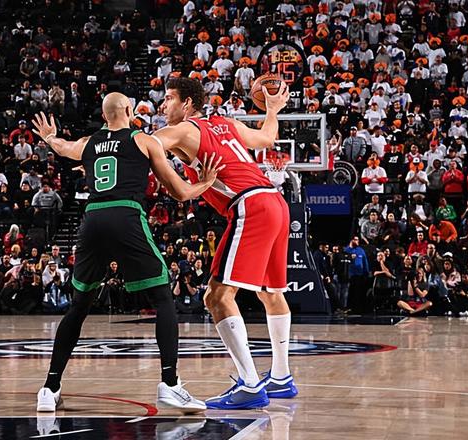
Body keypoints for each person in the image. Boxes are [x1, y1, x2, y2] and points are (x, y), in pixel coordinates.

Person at [31, 92, 223, 413]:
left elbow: (63, 147)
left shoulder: (88, 143)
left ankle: (49, 389)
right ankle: (170, 383)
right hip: (126, 215)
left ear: (105, 116)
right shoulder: (143, 140)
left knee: (79, 306)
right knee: (162, 298)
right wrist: (205, 183)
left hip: (92, 219)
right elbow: (179, 192)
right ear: (130, 111)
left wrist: (50, 137)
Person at [154, 77, 296, 409]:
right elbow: (267, 137)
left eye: (169, 98)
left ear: (187, 104)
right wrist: (272, 110)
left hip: (250, 205)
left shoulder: (184, 130)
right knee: (270, 293)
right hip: (275, 202)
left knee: (216, 297)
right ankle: (281, 377)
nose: (163, 105)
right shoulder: (227, 123)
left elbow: (146, 144)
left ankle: (250, 385)